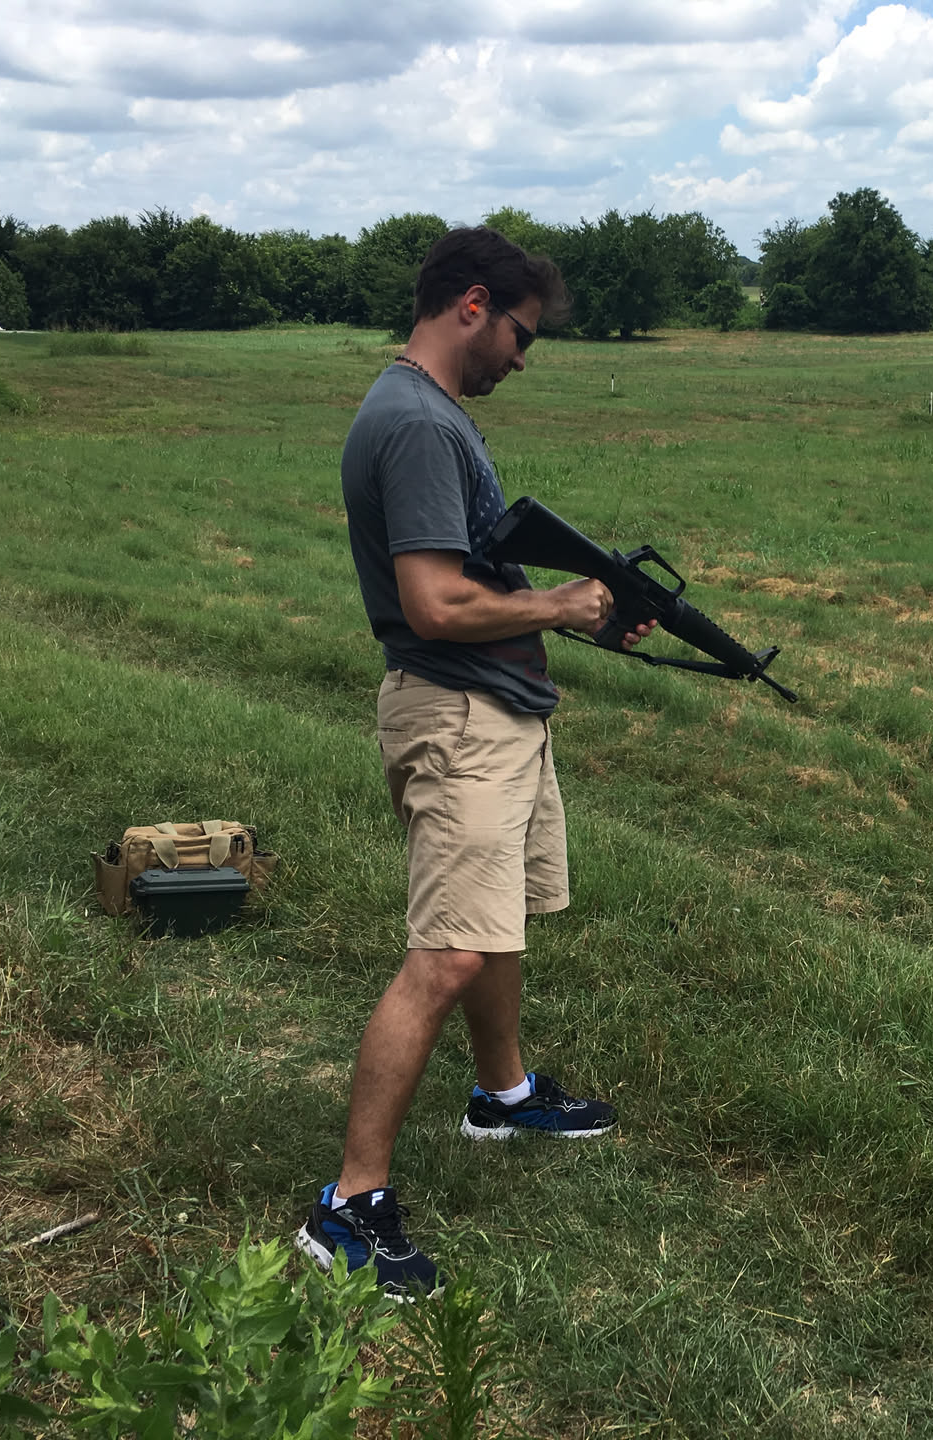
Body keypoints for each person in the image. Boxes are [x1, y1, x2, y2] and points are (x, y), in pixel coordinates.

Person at [299, 227, 654, 1298]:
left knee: (493, 923)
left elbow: (475, 576)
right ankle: (349, 1205)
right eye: (520, 335)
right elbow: (434, 602)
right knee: (449, 953)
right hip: (457, 720)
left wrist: (581, 611)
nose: (522, 358)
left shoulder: (429, 412)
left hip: (494, 709)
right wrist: (559, 604)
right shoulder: (417, 422)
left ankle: (502, 1096)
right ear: (472, 306)